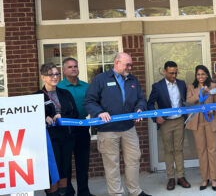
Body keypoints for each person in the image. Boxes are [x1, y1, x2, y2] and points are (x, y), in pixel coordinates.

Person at [84, 52, 151, 196]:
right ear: (116, 63)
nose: (130, 68)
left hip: (128, 128)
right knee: (111, 164)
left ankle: (135, 191)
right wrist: (99, 112)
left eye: (131, 65)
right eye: (127, 64)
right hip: (108, 130)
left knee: (134, 160)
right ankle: (117, 194)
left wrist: (139, 108)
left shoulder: (132, 80)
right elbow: (89, 101)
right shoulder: (100, 79)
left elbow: (141, 98)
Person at [35, 63, 79, 196]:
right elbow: (30, 118)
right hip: (49, 140)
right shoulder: (37, 96)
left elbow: (75, 114)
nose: (55, 77)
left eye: (57, 74)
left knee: (64, 168)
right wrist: (43, 118)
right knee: (52, 169)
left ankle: (64, 192)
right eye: (51, 74)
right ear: (43, 77)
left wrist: (63, 116)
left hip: (66, 137)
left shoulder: (65, 93)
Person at [147, 61, 191, 191]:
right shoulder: (157, 86)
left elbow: (184, 101)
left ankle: (181, 177)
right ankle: (171, 178)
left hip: (179, 121)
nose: (174, 75)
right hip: (165, 122)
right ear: (165, 71)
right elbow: (150, 104)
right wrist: (156, 117)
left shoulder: (182, 84)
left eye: (176, 72)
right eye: (171, 73)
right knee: (168, 150)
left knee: (179, 149)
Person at [57, 58, 94, 196]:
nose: (73, 69)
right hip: (65, 130)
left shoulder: (86, 86)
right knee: (66, 163)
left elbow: (94, 103)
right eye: (70, 67)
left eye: (75, 66)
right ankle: (68, 192)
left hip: (82, 127)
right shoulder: (59, 87)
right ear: (64, 70)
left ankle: (84, 192)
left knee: (83, 163)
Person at [186, 65, 216, 191]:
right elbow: (188, 101)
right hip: (197, 122)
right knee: (201, 151)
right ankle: (205, 178)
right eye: (198, 74)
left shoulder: (213, 86)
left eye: (203, 74)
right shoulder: (191, 87)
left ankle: (214, 179)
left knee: (212, 150)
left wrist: (213, 110)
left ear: (207, 75)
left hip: (210, 121)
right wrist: (201, 94)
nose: (200, 76)